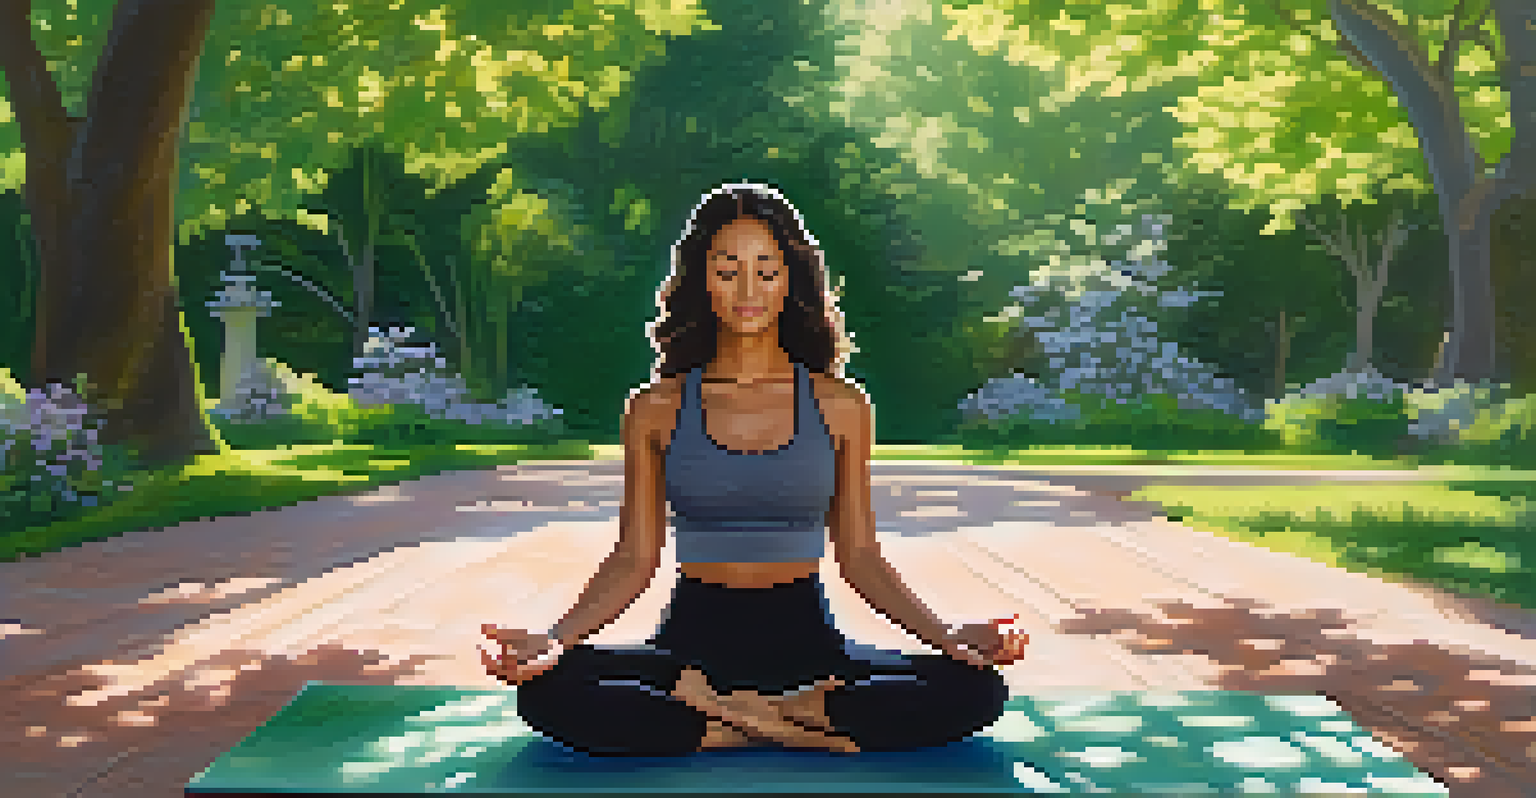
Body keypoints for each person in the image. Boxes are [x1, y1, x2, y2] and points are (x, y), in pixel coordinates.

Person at [480, 182, 1028, 757]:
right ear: (701, 279)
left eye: (766, 270)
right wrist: (555, 639)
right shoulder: (655, 408)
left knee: (976, 690)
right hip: (687, 648)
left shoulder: (841, 405)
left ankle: (718, 720)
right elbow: (634, 559)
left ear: (791, 279)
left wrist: (946, 637)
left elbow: (861, 555)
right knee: (547, 692)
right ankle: (790, 725)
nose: (747, 290)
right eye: (727, 269)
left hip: (810, 647)